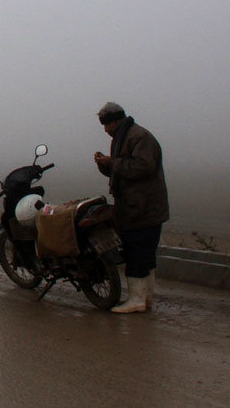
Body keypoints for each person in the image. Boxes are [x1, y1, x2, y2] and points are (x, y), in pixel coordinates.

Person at [93, 102, 169, 314]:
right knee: (144, 254)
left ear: (115, 120)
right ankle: (145, 299)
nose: (105, 130)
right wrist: (105, 165)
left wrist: (112, 162)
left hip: (144, 208)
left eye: (106, 124)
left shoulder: (138, 137)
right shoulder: (124, 138)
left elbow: (141, 167)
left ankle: (136, 300)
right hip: (135, 207)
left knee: (137, 253)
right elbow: (122, 172)